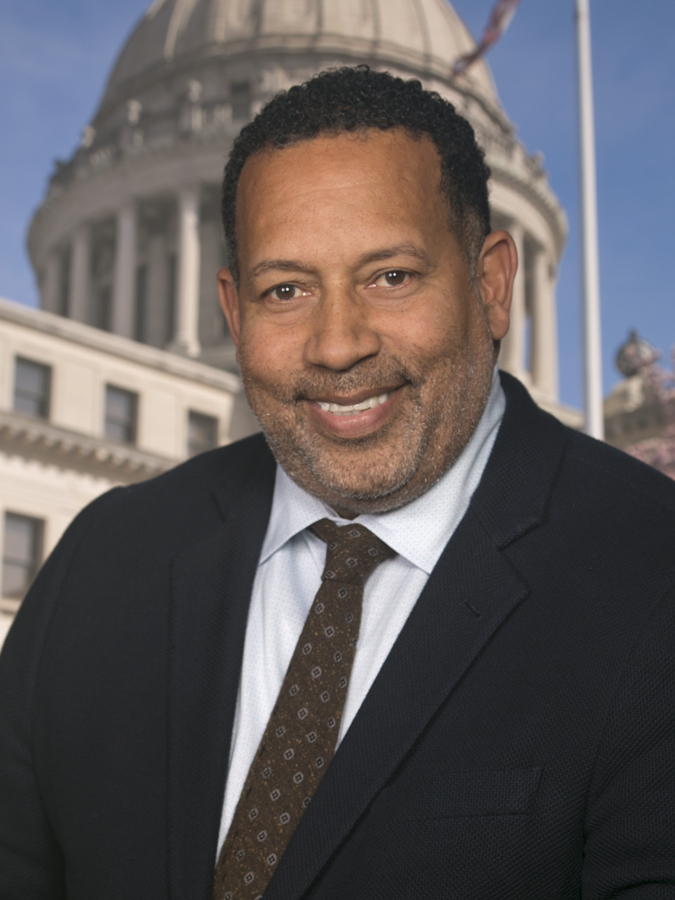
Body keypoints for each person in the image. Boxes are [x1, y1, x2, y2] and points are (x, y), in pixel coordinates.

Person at [0, 66, 674, 900]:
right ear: (234, 311)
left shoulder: (651, 576)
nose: (337, 344)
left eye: (390, 276)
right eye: (285, 289)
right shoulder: (103, 562)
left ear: (492, 285)